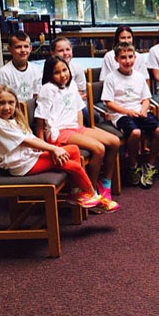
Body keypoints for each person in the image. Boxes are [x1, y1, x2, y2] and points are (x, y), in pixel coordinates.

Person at [0, 84, 102, 209]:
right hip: (23, 165)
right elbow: (26, 141)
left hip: (29, 157)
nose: (7, 107)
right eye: (0, 103)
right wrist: (52, 148)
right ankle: (93, 196)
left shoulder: (11, 120)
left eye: (10, 102)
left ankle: (75, 192)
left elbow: (31, 138)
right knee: (74, 166)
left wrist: (50, 148)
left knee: (73, 149)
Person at [35, 55, 120, 212]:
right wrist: (43, 146)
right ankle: (91, 192)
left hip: (75, 128)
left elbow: (78, 110)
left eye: (64, 70)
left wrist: (83, 132)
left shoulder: (72, 85)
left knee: (114, 141)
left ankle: (105, 184)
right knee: (99, 148)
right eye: (57, 72)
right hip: (59, 132)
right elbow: (40, 120)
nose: (62, 75)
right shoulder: (47, 89)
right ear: (49, 74)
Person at [102, 42, 159, 189]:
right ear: (116, 59)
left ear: (135, 58)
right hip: (121, 114)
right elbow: (108, 103)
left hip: (139, 111)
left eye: (130, 57)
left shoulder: (139, 76)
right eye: (123, 57)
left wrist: (144, 110)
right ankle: (133, 165)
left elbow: (146, 99)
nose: (127, 60)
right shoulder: (111, 78)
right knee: (135, 132)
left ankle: (150, 165)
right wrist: (128, 112)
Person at [0, 31, 41, 101]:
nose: (23, 50)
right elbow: (1, 98)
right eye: (18, 47)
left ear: (30, 48)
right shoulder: (4, 73)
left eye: (26, 46)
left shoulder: (35, 70)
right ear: (9, 49)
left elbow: (37, 95)